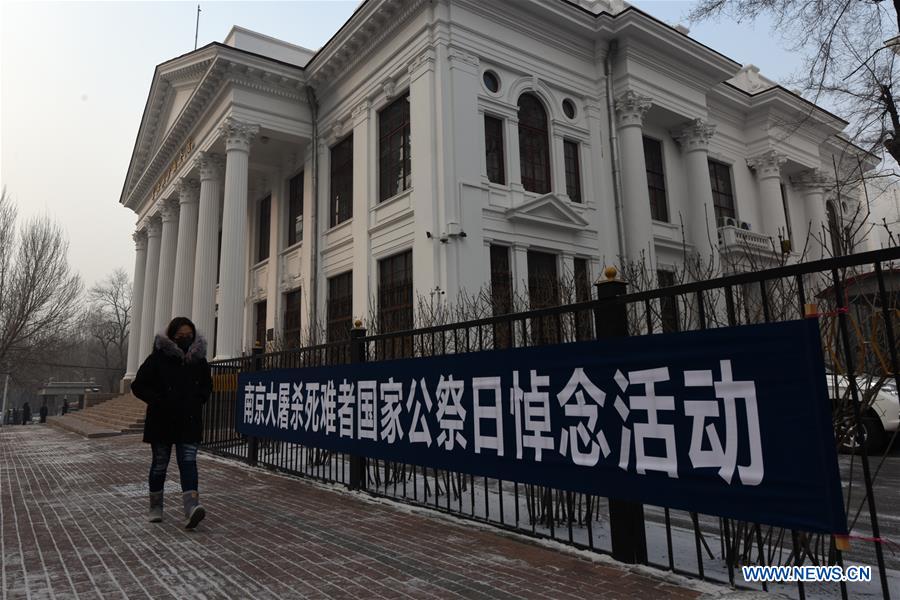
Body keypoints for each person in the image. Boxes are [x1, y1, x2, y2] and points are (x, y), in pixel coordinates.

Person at [131, 316, 212, 529]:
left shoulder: (198, 361)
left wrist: (198, 400)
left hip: (189, 420)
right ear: (172, 337)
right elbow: (138, 385)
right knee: (159, 464)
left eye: (189, 335)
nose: (185, 339)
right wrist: (158, 401)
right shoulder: (158, 358)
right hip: (162, 421)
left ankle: (191, 507)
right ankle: (156, 507)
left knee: (189, 463)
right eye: (180, 336)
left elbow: (207, 386)